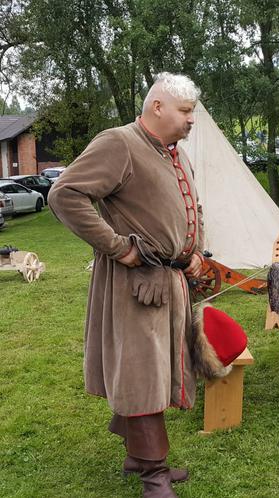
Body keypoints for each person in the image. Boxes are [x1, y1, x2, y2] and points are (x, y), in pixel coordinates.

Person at [49, 72, 205, 498]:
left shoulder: (175, 154)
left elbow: (193, 209)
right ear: (158, 107)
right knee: (143, 375)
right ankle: (153, 474)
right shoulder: (120, 143)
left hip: (170, 281)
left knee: (161, 371)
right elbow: (65, 195)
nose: (192, 121)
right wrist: (119, 248)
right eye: (186, 112)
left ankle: (137, 456)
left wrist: (194, 252)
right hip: (137, 283)